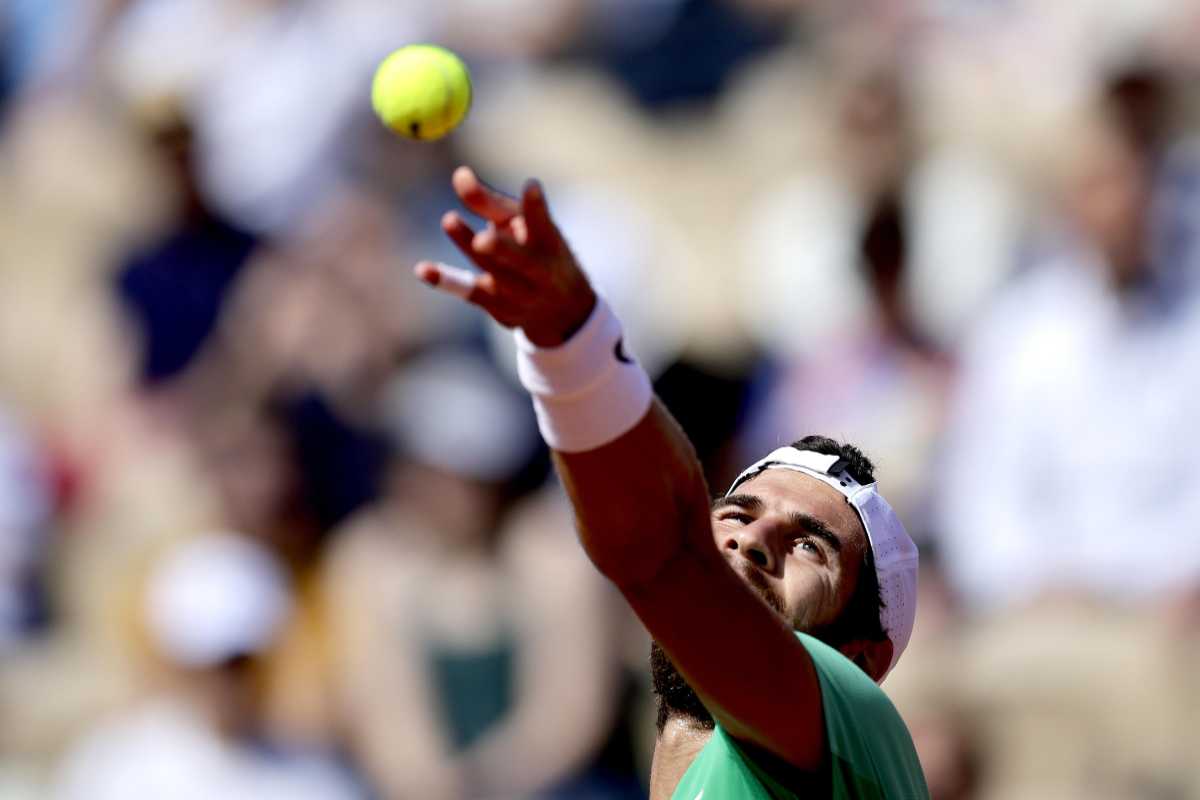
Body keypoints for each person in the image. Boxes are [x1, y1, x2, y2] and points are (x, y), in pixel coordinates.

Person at [415, 166, 928, 798]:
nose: (753, 537)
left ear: (860, 660)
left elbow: (665, 550)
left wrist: (572, 346)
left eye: (809, 546)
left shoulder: (852, 714)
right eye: (736, 513)